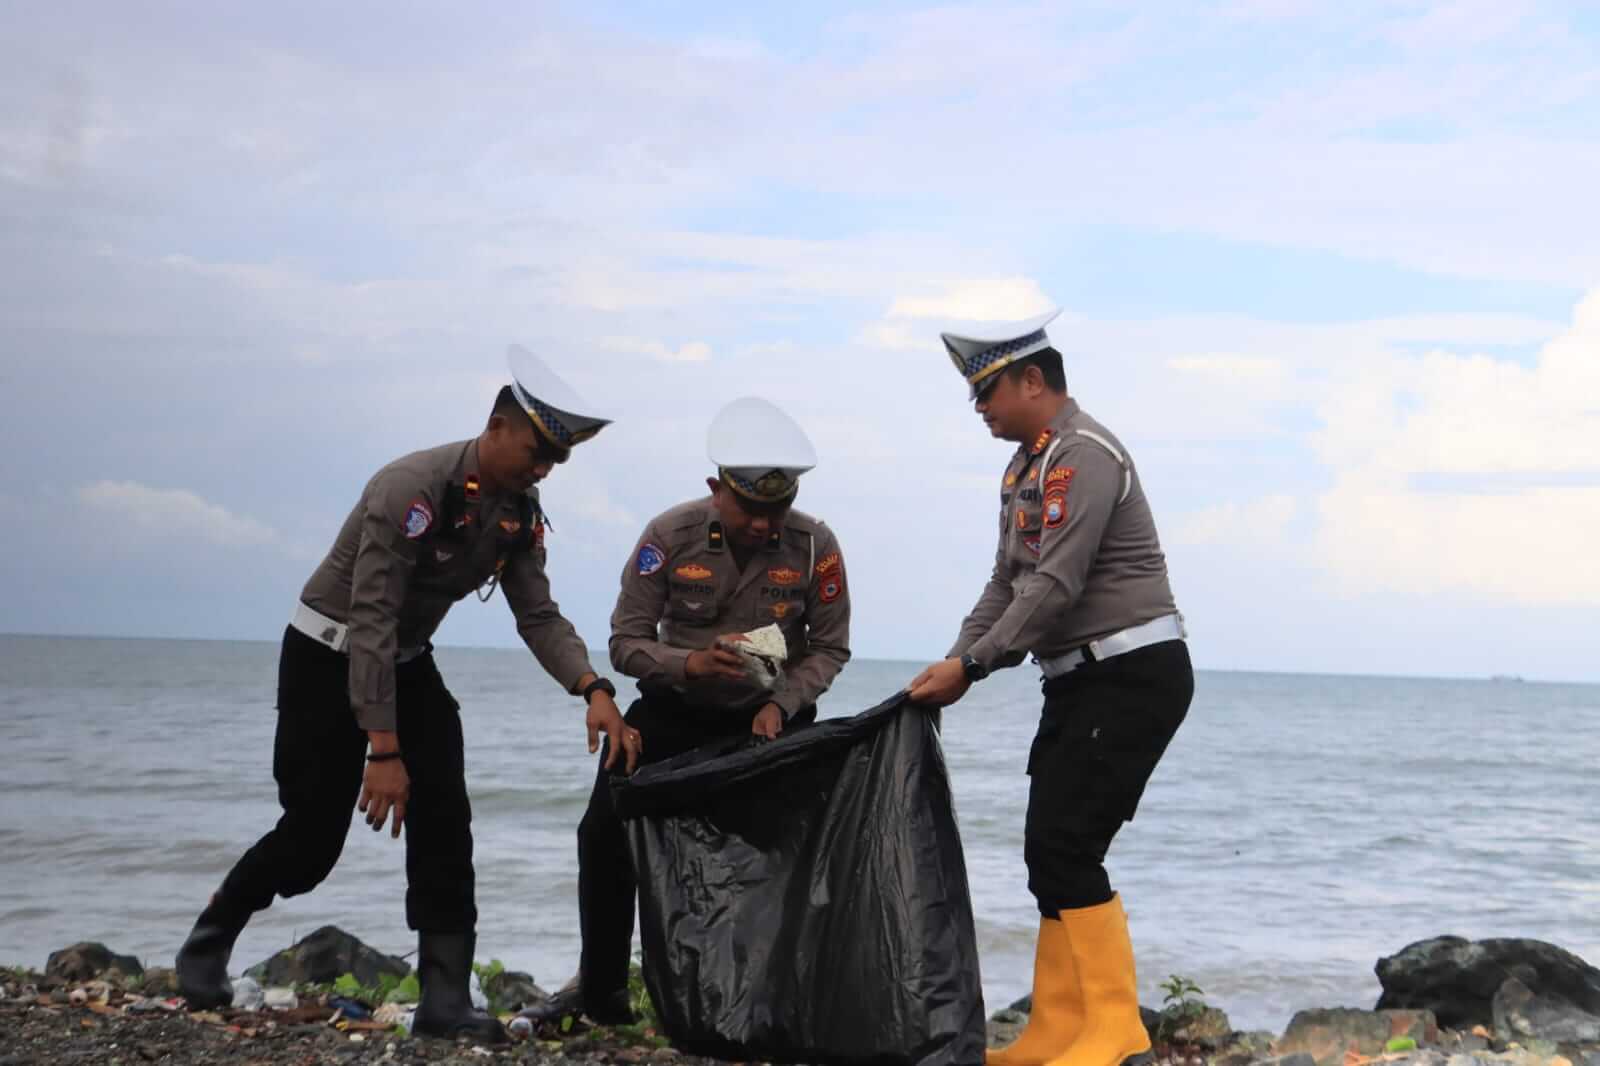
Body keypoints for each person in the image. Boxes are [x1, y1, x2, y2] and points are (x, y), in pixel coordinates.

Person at [174, 346, 636, 1044]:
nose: (544, 467)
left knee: (447, 816)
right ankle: (212, 932)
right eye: (538, 450)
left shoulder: (517, 512)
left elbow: (537, 613)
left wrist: (592, 686)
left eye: (556, 459)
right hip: (328, 655)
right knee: (309, 842)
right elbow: (372, 618)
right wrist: (383, 748)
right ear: (498, 426)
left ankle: (444, 999)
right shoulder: (410, 487)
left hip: (406, 662)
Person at [906, 310, 1194, 1066]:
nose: (979, 408)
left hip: (1131, 673)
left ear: (1033, 380)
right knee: (1047, 853)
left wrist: (971, 669)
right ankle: (1057, 1030)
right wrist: (954, 656)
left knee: (1070, 846)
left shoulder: (1083, 457)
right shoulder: (1025, 468)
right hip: (1077, 680)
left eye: (987, 391)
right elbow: (1007, 583)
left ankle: (1115, 1029)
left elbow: (1056, 586)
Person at [527, 396, 853, 1025]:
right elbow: (625, 640)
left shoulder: (817, 546)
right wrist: (688, 664)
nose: (766, 526)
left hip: (770, 720)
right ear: (716, 489)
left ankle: (786, 1001)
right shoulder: (668, 536)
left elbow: (830, 646)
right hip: (675, 710)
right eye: (753, 510)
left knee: (798, 851)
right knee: (603, 834)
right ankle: (603, 998)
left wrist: (782, 704)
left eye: (777, 510)